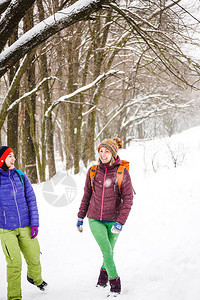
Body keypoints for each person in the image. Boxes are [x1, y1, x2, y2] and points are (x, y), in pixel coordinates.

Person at [76, 138, 133, 297]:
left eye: (107, 151)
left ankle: (102, 278)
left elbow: (128, 199)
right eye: (100, 151)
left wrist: (120, 222)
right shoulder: (93, 171)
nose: (103, 154)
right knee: (107, 251)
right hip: (95, 218)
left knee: (109, 250)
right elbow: (87, 195)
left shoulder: (122, 172)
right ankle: (115, 284)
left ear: (113, 153)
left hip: (114, 219)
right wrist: (81, 217)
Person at [0, 146, 48, 300]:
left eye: (13, 156)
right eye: (9, 156)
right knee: (15, 264)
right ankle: (14, 297)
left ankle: (35, 279)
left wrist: (34, 224)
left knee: (34, 256)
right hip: (6, 229)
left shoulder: (20, 176)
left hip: (26, 225)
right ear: (2, 160)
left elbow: (31, 200)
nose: (13, 159)